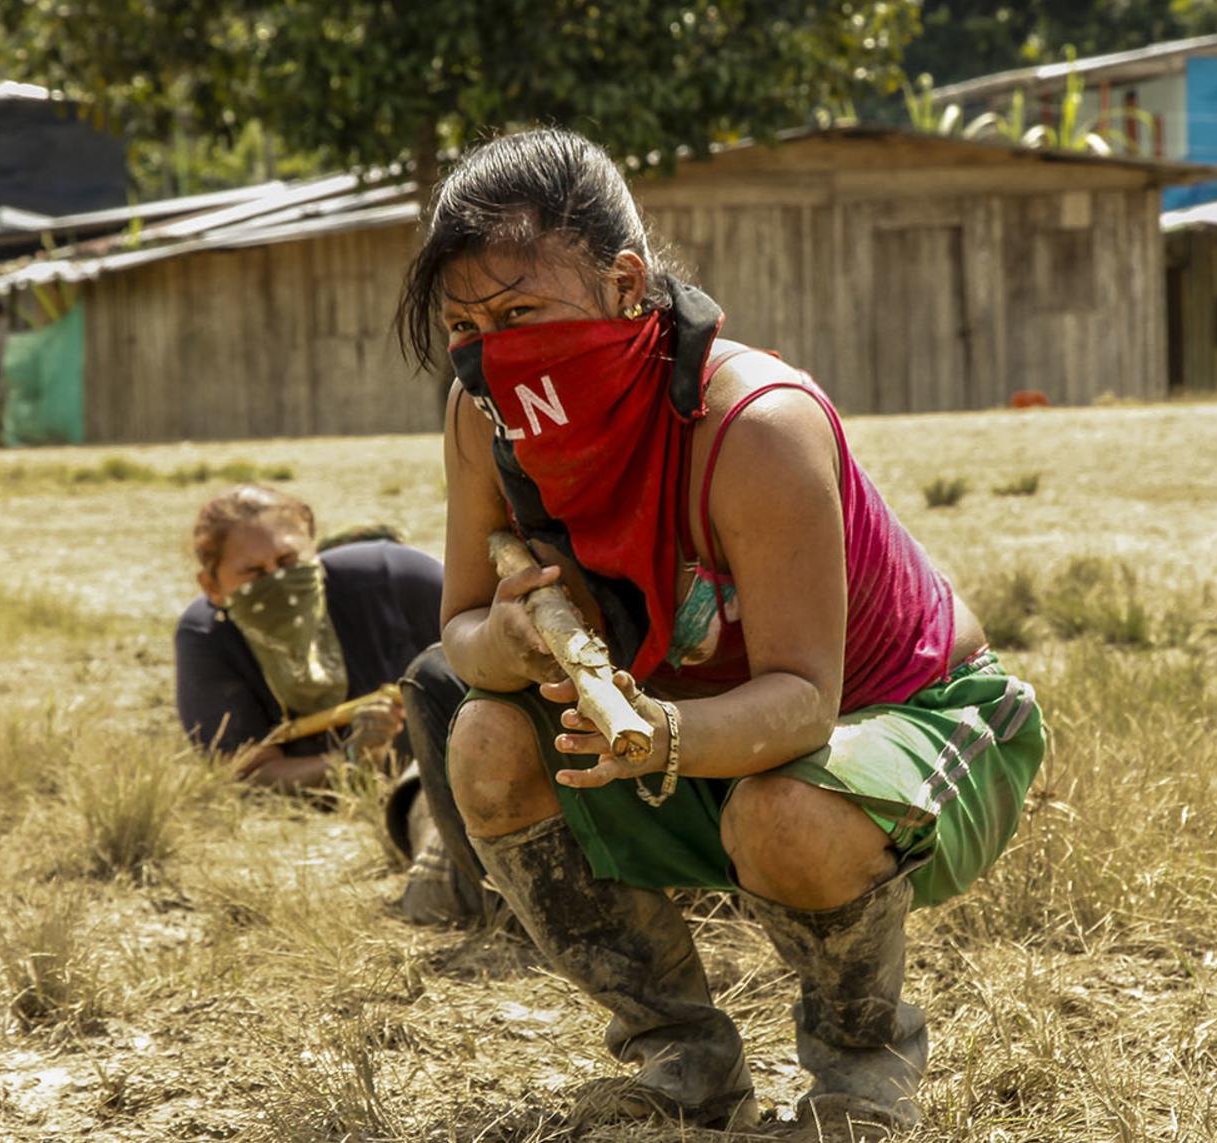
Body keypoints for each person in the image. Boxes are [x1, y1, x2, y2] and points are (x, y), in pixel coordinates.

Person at [407, 129, 1047, 1136]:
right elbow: (457, 633)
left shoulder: (752, 424)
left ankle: (859, 1077)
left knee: (779, 814)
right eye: (466, 323)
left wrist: (654, 740)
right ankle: (678, 1069)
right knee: (484, 741)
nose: (493, 346)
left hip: (908, 723)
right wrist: (520, 636)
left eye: (521, 311)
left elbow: (801, 701)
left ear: (625, 284)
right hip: (701, 737)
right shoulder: (483, 416)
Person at [174, 483, 488, 924]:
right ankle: (450, 872)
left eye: (288, 562)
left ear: (314, 551)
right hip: (409, 794)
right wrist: (352, 761)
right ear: (212, 585)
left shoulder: (392, 577)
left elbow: (490, 646)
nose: (278, 581)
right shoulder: (208, 639)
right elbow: (247, 768)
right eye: (254, 573)